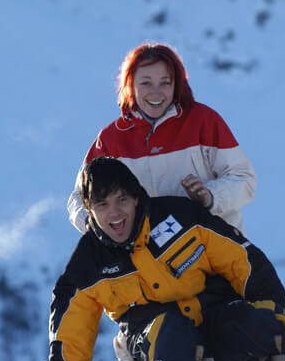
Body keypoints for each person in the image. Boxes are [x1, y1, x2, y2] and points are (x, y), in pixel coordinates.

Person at [35, 157, 285, 361]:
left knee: (251, 319)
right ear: (89, 213)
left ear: (136, 198)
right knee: (167, 328)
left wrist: (264, 315)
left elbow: (244, 261)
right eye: (102, 205)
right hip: (152, 333)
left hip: (215, 315)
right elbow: (69, 339)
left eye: (122, 200)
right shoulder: (86, 265)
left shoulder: (180, 217)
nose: (115, 213)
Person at [67, 43, 256, 236]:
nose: (156, 92)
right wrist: (98, 226)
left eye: (165, 82)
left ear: (177, 85)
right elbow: (79, 199)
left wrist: (209, 198)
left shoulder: (203, 121)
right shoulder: (111, 138)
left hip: (217, 249)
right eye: (146, 83)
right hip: (152, 259)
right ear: (130, 85)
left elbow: (243, 178)